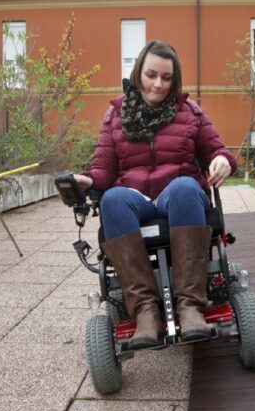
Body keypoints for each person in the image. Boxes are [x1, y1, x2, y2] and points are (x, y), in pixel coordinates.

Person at [73, 40, 236, 349]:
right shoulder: (115, 116)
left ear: (175, 80)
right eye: (151, 75)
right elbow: (103, 170)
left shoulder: (190, 112)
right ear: (138, 74)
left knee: (186, 187)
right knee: (112, 198)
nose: (158, 84)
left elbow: (217, 150)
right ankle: (145, 311)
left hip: (179, 195)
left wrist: (223, 161)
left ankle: (189, 305)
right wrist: (85, 180)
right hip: (135, 200)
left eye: (166, 77)